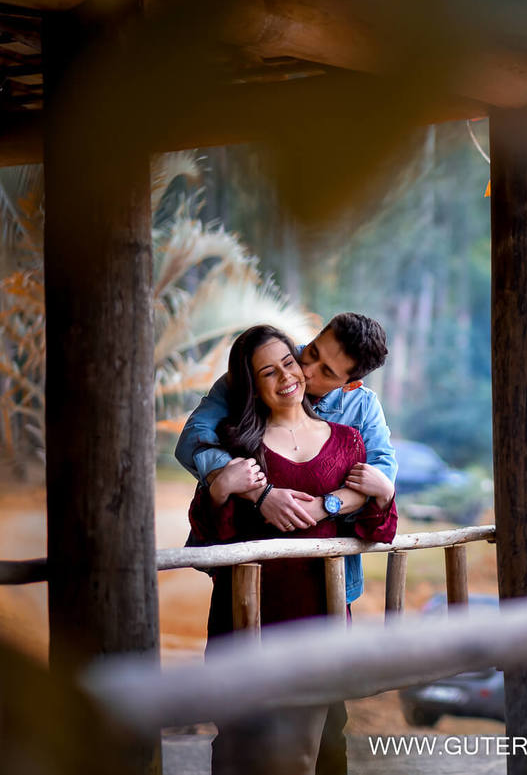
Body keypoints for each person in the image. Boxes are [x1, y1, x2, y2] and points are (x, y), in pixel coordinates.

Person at [186, 324, 397, 775]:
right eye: (309, 351)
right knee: (239, 740)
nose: (299, 369)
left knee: (321, 742)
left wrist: (334, 504)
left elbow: (381, 488)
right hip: (246, 607)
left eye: (324, 368)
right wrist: (245, 491)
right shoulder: (237, 424)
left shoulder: (354, 419)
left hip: (321, 601)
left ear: (350, 381)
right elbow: (195, 449)